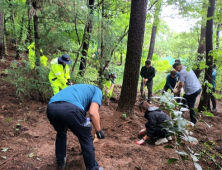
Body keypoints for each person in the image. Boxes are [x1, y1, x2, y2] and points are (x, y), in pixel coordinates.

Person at [47, 84, 105, 170]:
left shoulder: (80, 89)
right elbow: (93, 112)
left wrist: (86, 123)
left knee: (61, 132)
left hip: (51, 108)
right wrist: (99, 130)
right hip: (70, 109)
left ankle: (60, 161)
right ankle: (93, 168)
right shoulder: (98, 91)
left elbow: (83, 116)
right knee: (86, 137)